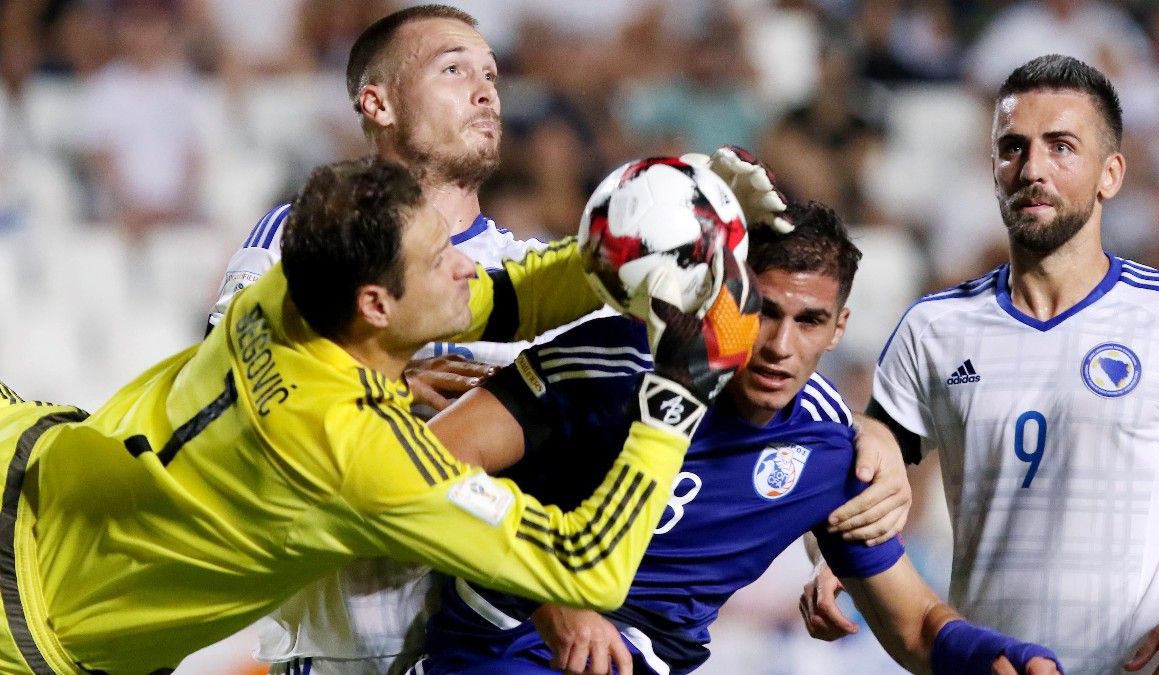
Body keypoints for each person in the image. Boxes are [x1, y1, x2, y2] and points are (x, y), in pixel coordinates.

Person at [209, 5, 913, 673]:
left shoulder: (554, 279)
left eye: (491, 73)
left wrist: (863, 439)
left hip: (499, 643)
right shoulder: (303, 242)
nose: (486, 91)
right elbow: (229, 402)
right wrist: (379, 390)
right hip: (344, 646)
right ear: (378, 103)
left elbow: (698, 415)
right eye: (454, 70)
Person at [0, 156, 762, 674]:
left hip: (21, 451)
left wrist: (661, 233)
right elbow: (580, 565)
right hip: (29, 618)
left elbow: (506, 296)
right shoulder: (361, 456)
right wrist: (676, 402)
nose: (466, 261)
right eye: (441, 259)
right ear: (376, 304)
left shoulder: (295, 284)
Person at [405, 201, 1062, 675]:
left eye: (810, 321)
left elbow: (915, 623)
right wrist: (552, 596)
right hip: (504, 646)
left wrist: (992, 653)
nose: (779, 346)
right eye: (764, 312)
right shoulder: (611, 365)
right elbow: (424, 470)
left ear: (839, 329)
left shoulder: (831, 449)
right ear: (724, 300)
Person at [801, 54, 1159, 674]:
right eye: (1013, 148)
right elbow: (873, 462)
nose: (1032, 169)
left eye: (1061, 146)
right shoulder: (935, 330)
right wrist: (846, 553)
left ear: (1110, 174)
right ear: (992, 168)